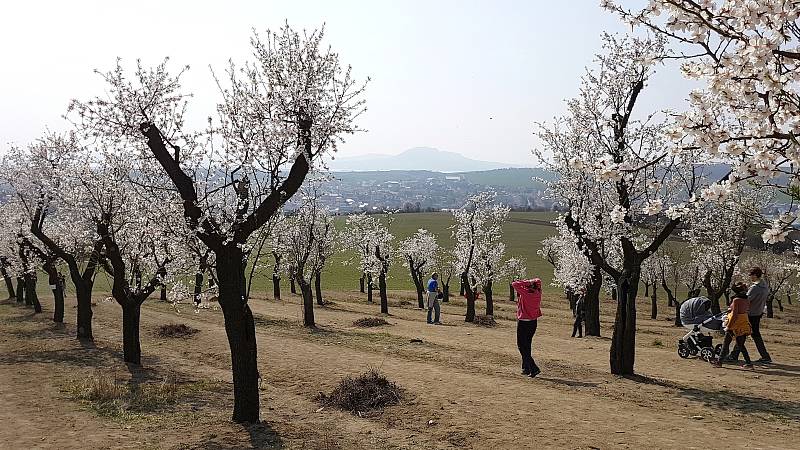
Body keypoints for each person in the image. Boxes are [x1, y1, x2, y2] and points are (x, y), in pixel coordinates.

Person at [728, 267, 772, 363]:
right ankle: (765, 356)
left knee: (742, 333)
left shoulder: (755, 288)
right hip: (758, 313)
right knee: (755, 334)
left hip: (750, 314)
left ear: (755, 275)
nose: (750, 277)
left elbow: (745, 300)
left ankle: (734, 355)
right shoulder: (765, 286)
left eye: (751, 275)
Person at [712, 282, 753, 369]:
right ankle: (749, 363)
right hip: (744, 322)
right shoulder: (747, 299)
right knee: (740, 344)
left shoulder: (736, 300)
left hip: (735, 323)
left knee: (726, 343)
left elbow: (734, 315)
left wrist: (728, 326)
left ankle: (719, 362)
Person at [512, 278, 543, 377]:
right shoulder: (538, 293)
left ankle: (533, 368)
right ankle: (526, 367)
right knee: (527, 345)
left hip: (523, 322)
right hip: (533, 322)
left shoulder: (526, 294)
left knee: (521, 345)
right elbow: (537, 282)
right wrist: (530, 283)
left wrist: (527, 282)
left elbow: (514, 284)